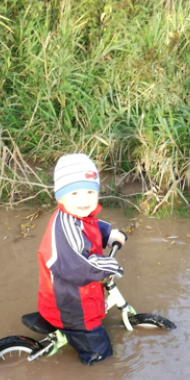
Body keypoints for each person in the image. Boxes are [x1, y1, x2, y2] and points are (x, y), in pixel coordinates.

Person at [37, 153, 127, 365]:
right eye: (75, 193)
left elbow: (91, 227)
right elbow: (79, 267)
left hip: (74, 295)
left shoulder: (76, 216)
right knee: (101, 353)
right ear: (60, 197)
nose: (84, 199)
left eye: (90, 191)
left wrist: (110, 234)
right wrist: (110, 266)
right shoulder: (66, 228)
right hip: (72, 304)